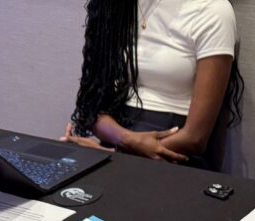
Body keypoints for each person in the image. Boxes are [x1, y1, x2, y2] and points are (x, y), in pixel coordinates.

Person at [62, 0, 243, 170]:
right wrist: (123, 141)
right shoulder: (117, 6)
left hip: (174, 155)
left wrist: (113, 154)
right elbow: (94, 108)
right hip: (119, 142)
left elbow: (195, 139)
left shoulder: (212, 10)